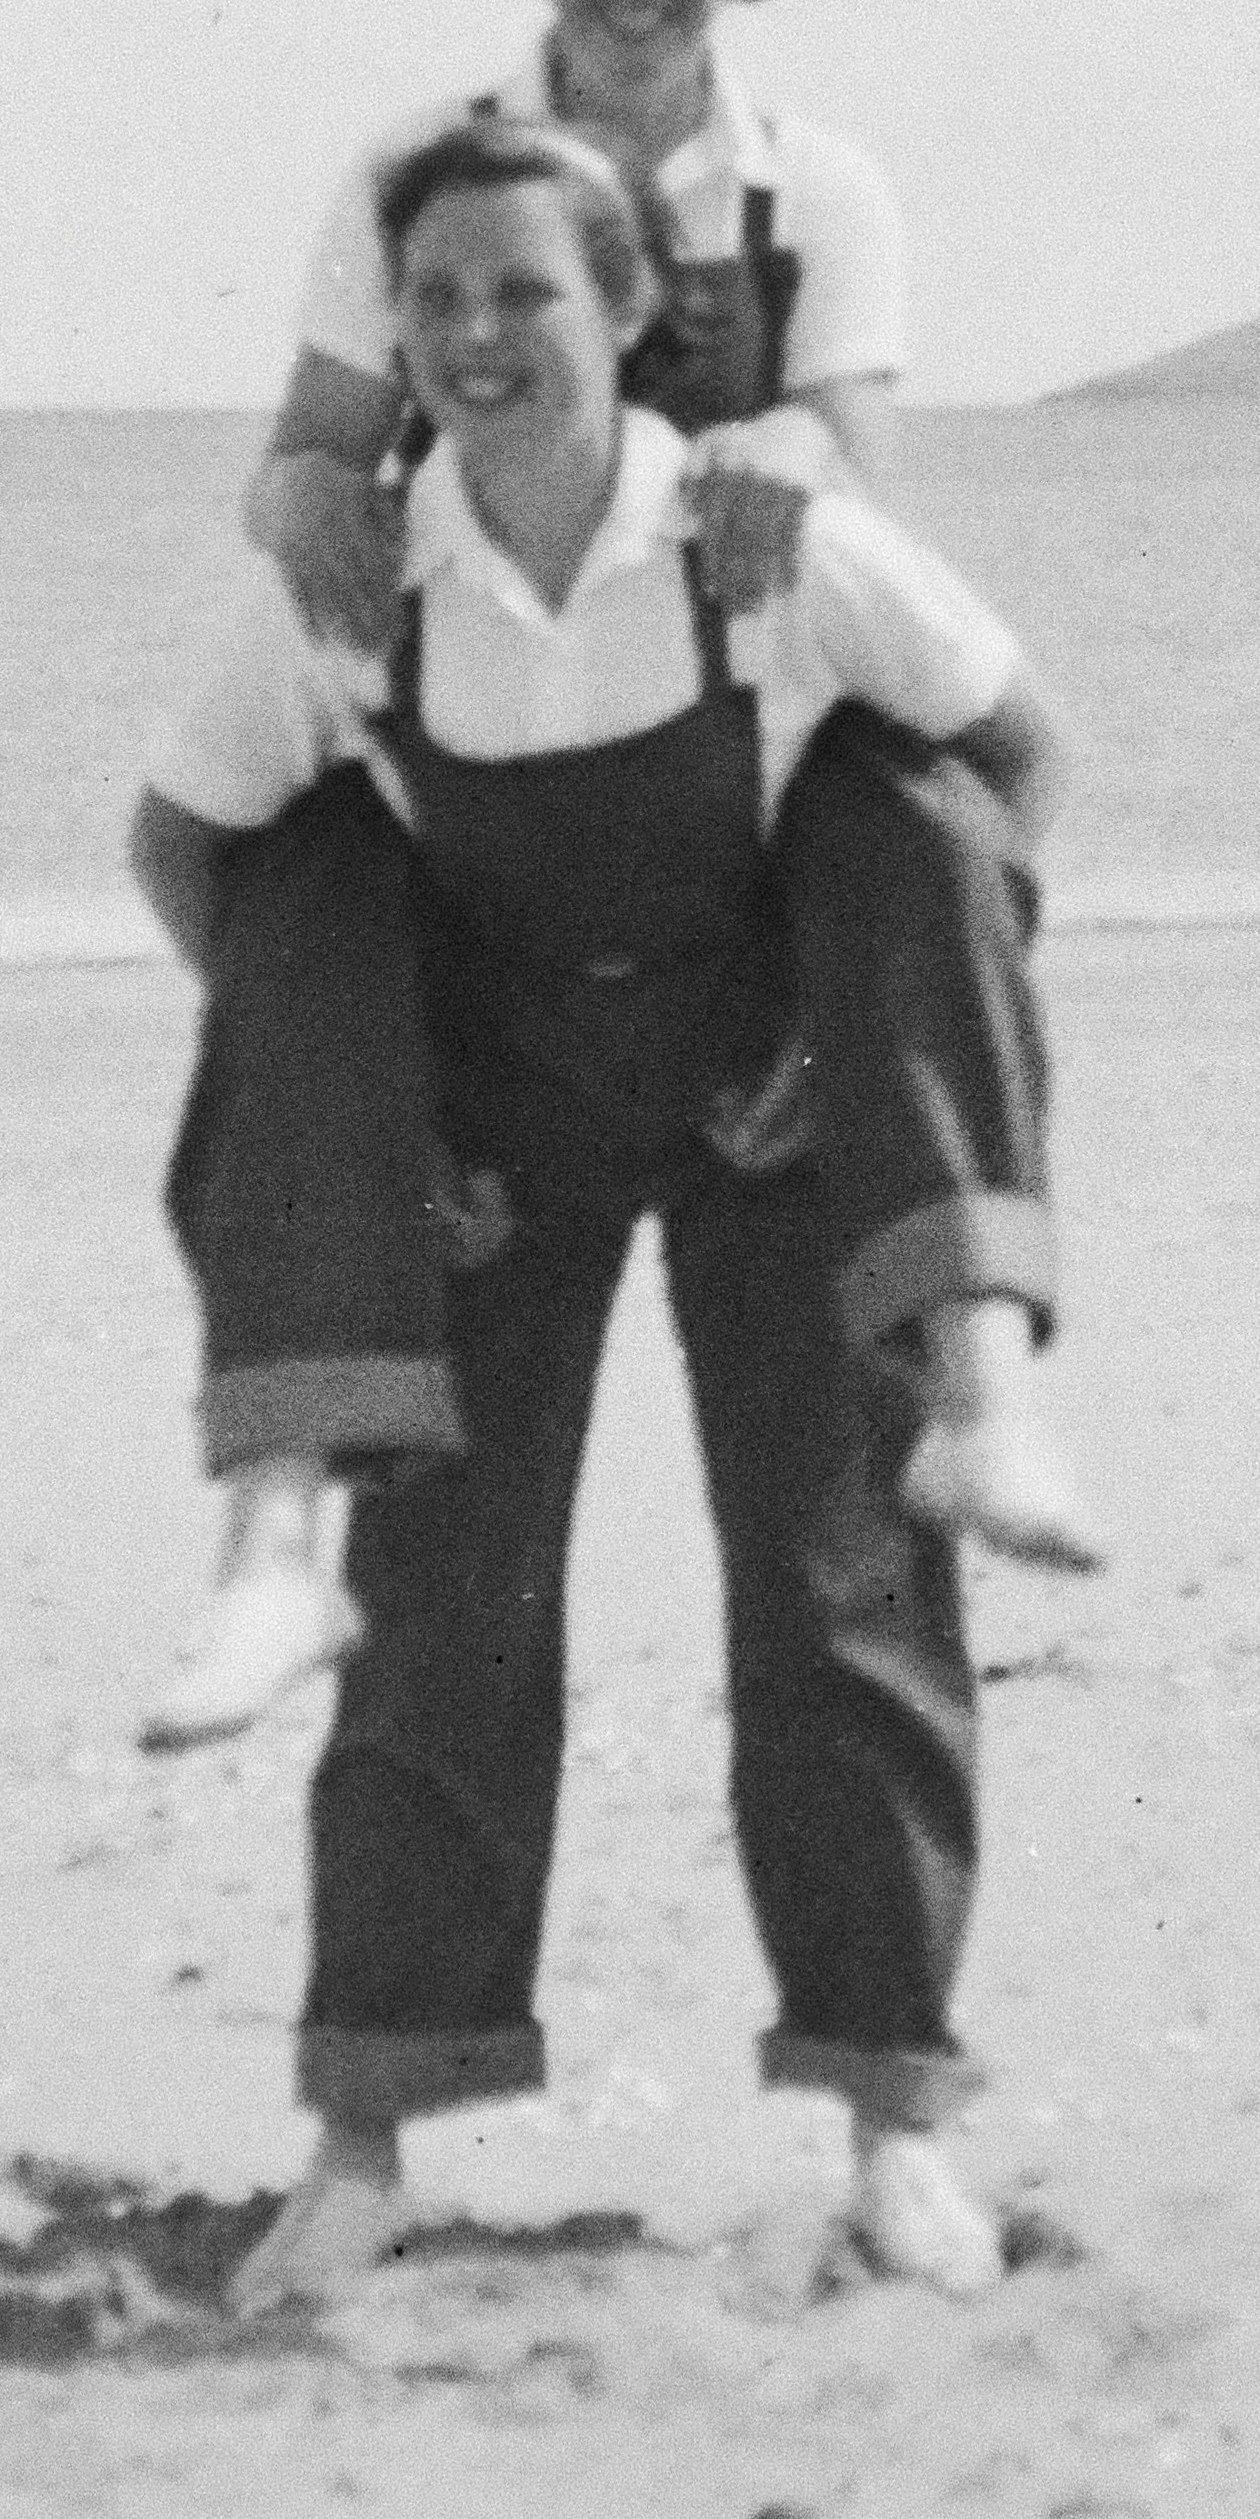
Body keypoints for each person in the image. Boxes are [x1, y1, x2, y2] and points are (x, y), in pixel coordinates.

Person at [132, 115, 1064, 2309]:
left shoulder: (769, 538)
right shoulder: (357, 584)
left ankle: (895, 2130)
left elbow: (1013, 759)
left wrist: (853, 1053)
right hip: (501, 1126)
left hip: (761, 1099)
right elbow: (187, 846)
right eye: (436, 296)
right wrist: (371, 1126)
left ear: (630, 309)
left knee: (844, 1587)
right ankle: (365, 2144)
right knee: (443, 1606)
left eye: (525, 289)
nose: (473, 336)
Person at [149, 0, 1088, 1754]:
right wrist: (301, 513)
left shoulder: (809, 185)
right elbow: (313, 434)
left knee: (910, 812)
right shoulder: (420, 166)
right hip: (474, 680)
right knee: (302, 882)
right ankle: (276, 1553)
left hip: (747, 672)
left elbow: (855, 447)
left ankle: (992, 1381)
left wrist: (779, 466)